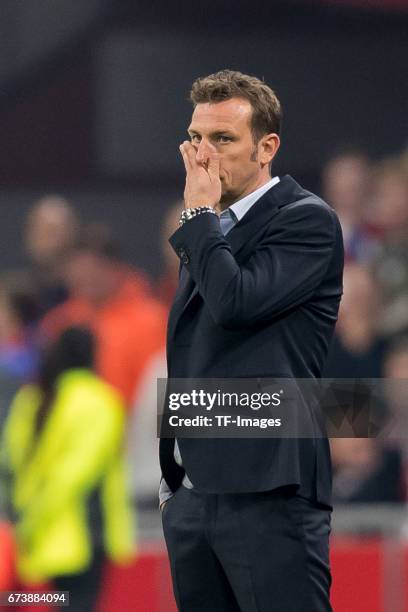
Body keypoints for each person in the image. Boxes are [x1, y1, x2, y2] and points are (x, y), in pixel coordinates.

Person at [159, 70, 344, 611]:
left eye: (223, 139)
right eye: (197, 138)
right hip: (195, 493)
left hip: (269, 490)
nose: (205, 154)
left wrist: (196, 215)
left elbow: (235, 304)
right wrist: (177, 485)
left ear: (267, 147)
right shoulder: (212, 232)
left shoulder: (305, 220)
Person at [0, 327, 135, 611]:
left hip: (35, 538)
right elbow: (77, 474)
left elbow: (12, 462)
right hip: (83, 538)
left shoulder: (32, 399)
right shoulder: (99, 400)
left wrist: (26, 518)